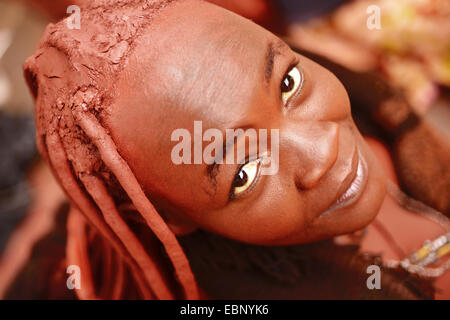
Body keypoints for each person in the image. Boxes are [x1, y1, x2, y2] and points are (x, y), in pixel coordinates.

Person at [10, 0, 449, 299]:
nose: (323, 151)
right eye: (245, 173)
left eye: (288, 85)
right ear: (174, 218)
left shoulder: (364, 96)